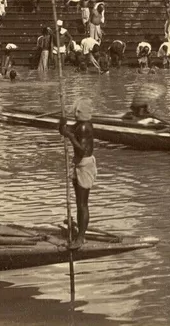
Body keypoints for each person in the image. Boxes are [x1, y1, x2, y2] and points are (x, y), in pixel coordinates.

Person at [59, 97, 96, 249]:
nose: (75, 113)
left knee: (82, 204)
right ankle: (81, 233)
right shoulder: (79, 125)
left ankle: (81, 238)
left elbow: (81, 150)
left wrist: (70, 136)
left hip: (85, 165)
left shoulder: (85, 127)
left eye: (77, 111)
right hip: (79, 164)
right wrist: (61, 123)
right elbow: (65, 131)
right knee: (79, 203)